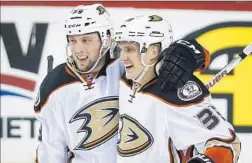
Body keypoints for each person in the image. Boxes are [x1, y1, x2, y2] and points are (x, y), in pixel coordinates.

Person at [33, 4, 209, 163]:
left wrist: (192, 53)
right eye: (73, 40)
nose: (78, 49)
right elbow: (50, 150)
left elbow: (179, 60)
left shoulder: (126, 68)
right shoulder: (54, 85)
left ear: (106, 39)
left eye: (86, 40)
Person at [115, 15, 241, 163]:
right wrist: (194, 50)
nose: (122, 57)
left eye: (130, 49)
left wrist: (206, 161)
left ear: (153, 52)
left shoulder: (176, 95)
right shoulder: (119, 77)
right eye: (121, 49)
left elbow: (227, 143)